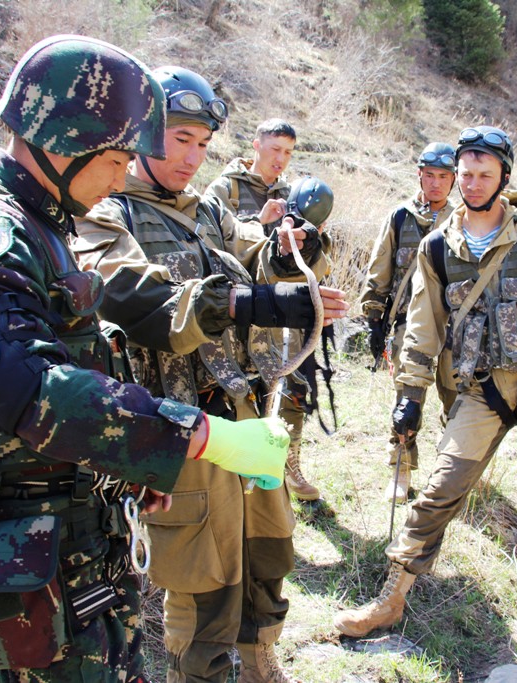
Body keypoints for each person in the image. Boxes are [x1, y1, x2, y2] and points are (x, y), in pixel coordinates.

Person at [0, 36, 289, 683]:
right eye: (115, 159)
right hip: (26, 552)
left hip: (77, 542)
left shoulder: (46, 225)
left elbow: (81, 361)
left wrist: (127, 468)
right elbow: (28, 386)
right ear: (65, 143)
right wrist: (199, 435)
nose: (120, 177)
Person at [72, 67, 342, 683]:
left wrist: (289, 250)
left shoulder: (206, 210)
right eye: (179, 139)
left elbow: (254, 250)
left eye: (202, 143)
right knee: (204, 578)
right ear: (142, 133)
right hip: (181, 426)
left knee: (268, 548)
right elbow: (131, 298)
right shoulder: (104, 212)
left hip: (245, 411)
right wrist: (252, 303)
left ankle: (260, 661)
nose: (192, 158)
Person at [333, 126, 517, 646]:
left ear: (504, 178)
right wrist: (410, 396)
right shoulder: (437, 247)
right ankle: (392, 597)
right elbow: (423, 327)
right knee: (440, 488)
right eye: (467, 174)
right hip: (481, 387)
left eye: (485, 175)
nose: (474, 184)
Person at [204, 119, 323, 501]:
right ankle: (243, 473)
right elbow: (210, 247)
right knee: (246, 392)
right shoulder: (225, 189)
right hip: (239, 312)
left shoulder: (292, 193)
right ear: (256, 145)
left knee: (293, 388)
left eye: (288, 152)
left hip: (284, 312)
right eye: (275, 149)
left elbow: (312, 251)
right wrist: (260, 222)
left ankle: (290, 466)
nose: (281, 159)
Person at [360, 142, 459, 503]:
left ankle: (452, 471)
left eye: (443, 177)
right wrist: (374, 318)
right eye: (429, 175)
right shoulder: (400, 218)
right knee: (407, 401)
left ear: (453, 180)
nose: (436, 183)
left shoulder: (463, 219)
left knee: (458, 401)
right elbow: (380, 268)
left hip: (456, 326)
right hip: (409, 325)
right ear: (419, 175)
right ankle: (400, 469)